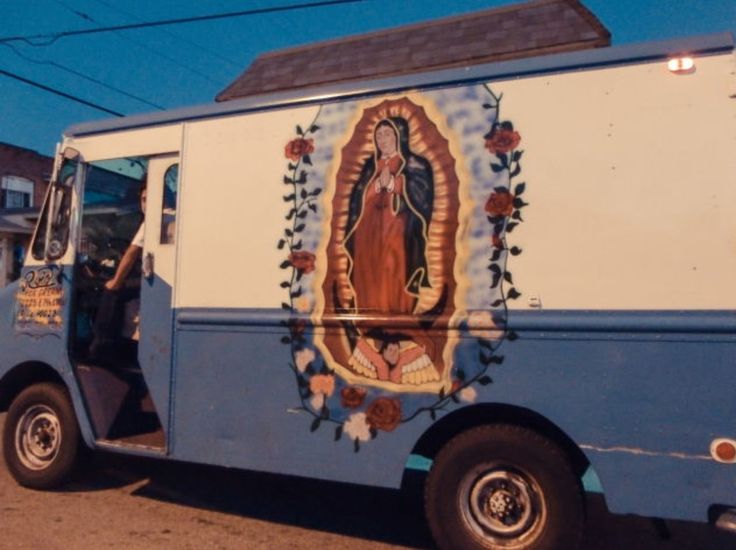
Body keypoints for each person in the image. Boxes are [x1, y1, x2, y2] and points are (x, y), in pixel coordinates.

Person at [88, 176, 146, 363]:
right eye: (143, 200)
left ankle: (101, 347)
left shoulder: (153, 222)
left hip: (152, 283)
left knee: (112, 293)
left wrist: (115, 282)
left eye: (148, 200)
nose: (145, 205)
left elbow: (132, 253)